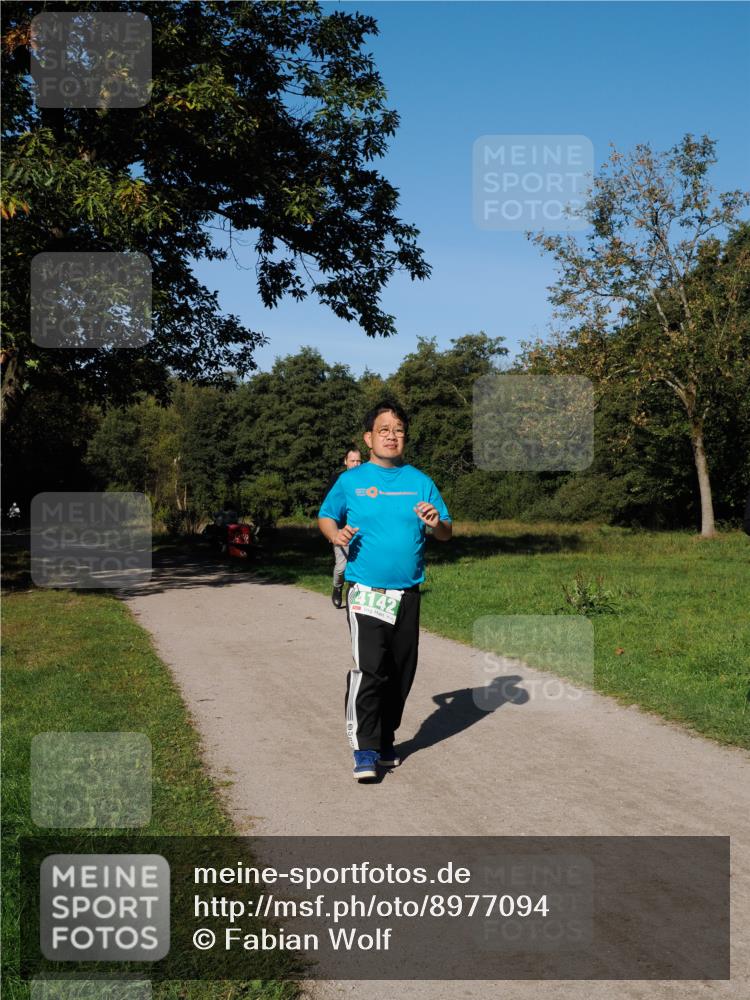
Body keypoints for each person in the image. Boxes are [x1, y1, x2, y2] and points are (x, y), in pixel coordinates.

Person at [318, 401, 452, 781]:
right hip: (366, 592)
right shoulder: (351, 482)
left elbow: (446, 532)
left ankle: (387, 738)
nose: (392, 436)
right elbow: (326, 516)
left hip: (408, 594)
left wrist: (435, 522)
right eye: (384, 430)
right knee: (371, 670)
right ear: (369, 437)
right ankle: (365, 747)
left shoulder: (420, 481)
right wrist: (335, 533)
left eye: (398, 430)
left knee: (400, 672)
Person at [328, 446, 363, 608]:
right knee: (342, 567)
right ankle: (337, 587)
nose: (356, 464)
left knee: (360, 566)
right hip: (342, 531)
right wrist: (332, 532)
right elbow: (329, 510)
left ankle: (355, 598)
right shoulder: (337, 480)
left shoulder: (367, 480)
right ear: (345, 462)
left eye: (358, 461)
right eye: (352, 461)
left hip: (362, 532)